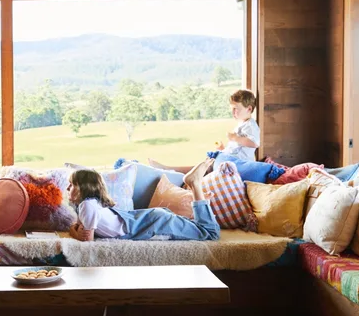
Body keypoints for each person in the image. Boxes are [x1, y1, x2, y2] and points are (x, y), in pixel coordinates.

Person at [68, 160, 219, 242]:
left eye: (72, 185)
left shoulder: (87, 206)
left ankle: (195, 184)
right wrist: (75, 229)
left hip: (155, 223)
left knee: (210, 234)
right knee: (203, 229)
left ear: (83, 188)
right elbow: (83, 229)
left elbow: (87, 241)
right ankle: (195, 186)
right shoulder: (90, 204)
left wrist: (73, 233)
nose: (68, 188)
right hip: (151, 219)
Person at [153, 89, 263, 175]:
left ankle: (167, 170)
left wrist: (235, 138)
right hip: (231, 159)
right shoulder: (242, 124)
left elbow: (254, 143)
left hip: (238, 164)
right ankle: (168, 170)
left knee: (205, 167)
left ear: (249, 109)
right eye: (231, 108)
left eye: (236, 108)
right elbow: (237, 148)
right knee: (205, 165)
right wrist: (223, 149)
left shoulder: (250, 125)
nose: (233, 112)